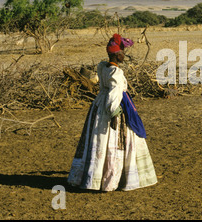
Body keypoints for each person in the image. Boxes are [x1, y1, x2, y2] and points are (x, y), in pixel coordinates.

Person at [67, 34, 157, 191]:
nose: (124, 55)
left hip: (99, 104)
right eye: (122, 52)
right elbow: (114, 93)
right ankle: (113, 179)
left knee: (98, 140)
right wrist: (113, 111)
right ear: (117, 54)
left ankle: (95, 176)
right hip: (112, 105)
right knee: (116, 141)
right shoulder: (115, 72)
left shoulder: (103, 67)